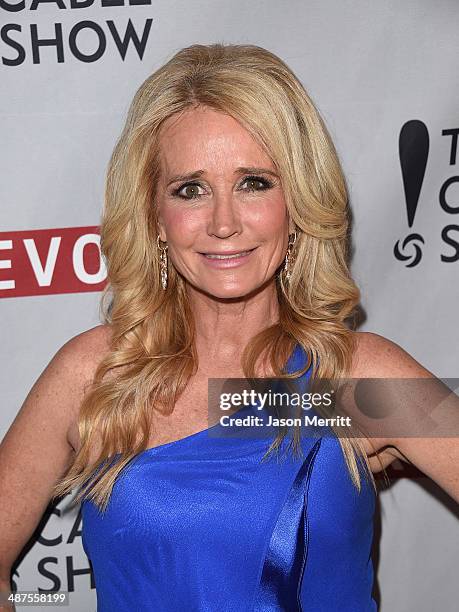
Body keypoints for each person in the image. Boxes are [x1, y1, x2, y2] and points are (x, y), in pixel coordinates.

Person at [0, 43, 458, 612]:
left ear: (297, 203)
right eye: (190, 189)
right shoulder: (96, 373)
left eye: (254, 183)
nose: (223, 222)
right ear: (153, 218)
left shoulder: (354, 379)